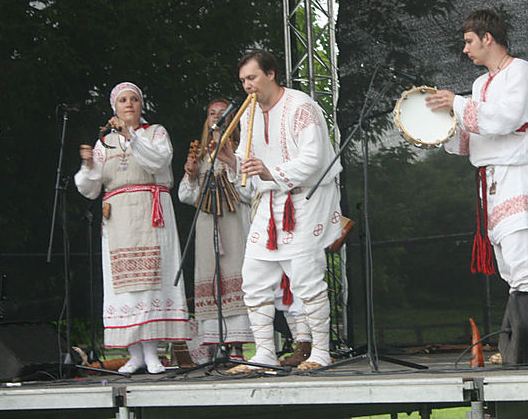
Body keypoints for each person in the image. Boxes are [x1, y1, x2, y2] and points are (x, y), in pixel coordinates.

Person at [219, 50, 342, 372]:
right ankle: (263, 354)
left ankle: (321, 353)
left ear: (271, 74)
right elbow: (250, 177)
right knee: (254, 278)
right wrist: (234, 163)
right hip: (270, 202)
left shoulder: (301, 106)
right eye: (243, 80)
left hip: (305, 199)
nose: (247, 86)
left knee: (306, 278)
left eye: (253, 78)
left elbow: (314, 158)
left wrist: (270, 171)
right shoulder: (247, 115)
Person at [427, 10, 528, 292]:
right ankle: (521, 334)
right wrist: (435, 131)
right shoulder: (480, 84)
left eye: (469, 41)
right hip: (490, 183)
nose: (465, 49)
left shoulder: (520, 70)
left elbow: (508, 118)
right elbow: (474, 136)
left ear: (487, 38)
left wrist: (457, 104)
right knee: (509, 271)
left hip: (517, 176)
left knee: (523, 270)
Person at [75, 82, 189, 374]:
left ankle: (152, 354)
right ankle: (135, 354)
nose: (129, 104)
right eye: (123, 100)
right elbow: (90, 188)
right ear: (114, 107)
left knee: (152, 281)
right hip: (119, 219)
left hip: (151, 214)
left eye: (134, 99)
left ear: (141, 105)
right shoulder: (104, 143)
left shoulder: (156, 133)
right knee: (124, 286)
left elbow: (158, 160)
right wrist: (88, 165)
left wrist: (131, 136)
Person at [178, 98, 253, 358]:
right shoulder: (201, 155)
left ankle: (237, 345)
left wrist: (231, 166)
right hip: (207, 224)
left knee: (236, 273)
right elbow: (186, 197)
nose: (217, 118)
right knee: (210, 277)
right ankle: (216, 342)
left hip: (235, 223)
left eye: (223, 114)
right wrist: (190, 175)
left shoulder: (242, 152)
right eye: (212, 114)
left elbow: (250, 192)